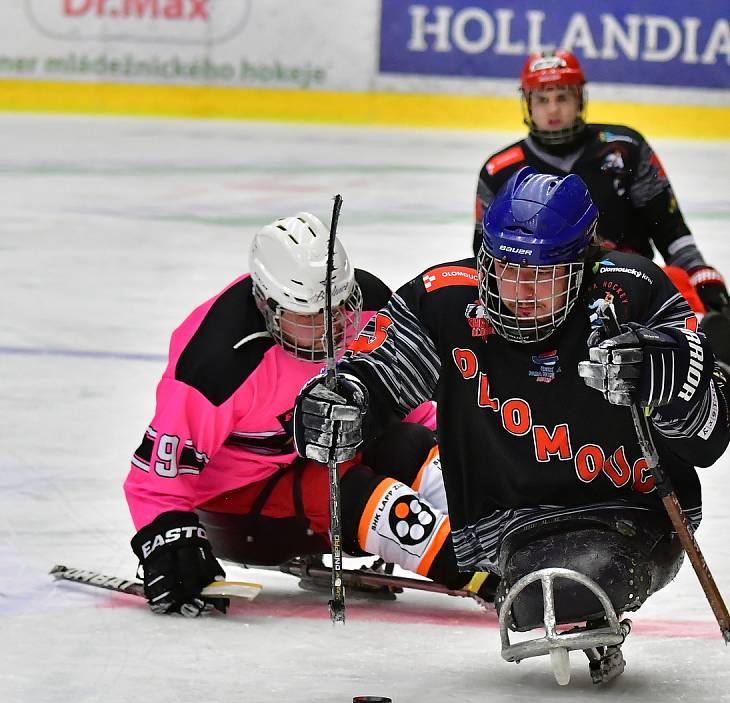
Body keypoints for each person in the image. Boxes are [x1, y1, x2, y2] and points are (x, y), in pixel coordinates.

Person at [295, 169, 729, 647]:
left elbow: (708, 439)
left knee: (575, 586)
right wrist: (342, 403)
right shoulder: (445, 299)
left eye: (540, 277)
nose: (518, 294)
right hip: (509, 518)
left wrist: (666, 382)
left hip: (628, 510)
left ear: (581, 267)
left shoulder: (633, 293)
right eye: (507, 271)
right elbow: (378, 374)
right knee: (540, 597)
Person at [123, 211, 493, 616]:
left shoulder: (371, 305)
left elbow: (410, 408)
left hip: (326, 454)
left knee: (412, 446)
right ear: (267, 306)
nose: (330, 328)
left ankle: (506, 537)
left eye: (339, 308)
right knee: (355, 494)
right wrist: (170, 543)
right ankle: (490, 577)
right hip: (243, 499)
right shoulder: (217, 365)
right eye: (308, 317)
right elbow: (156, 480)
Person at [472, 48, 730, 366]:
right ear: (527, 103)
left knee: (683, 291)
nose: (553, 109)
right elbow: (486, 258)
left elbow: (668, 226)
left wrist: (700, 273)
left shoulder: (625, 149)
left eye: (563, 98)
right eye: (542, 99)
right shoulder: (500, 172)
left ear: (580, 98)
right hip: (543, 294)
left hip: (626, 287)